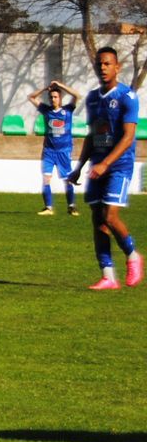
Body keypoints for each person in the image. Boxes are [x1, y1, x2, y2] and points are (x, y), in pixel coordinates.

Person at [66, 47, 141, 289]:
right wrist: (79, 167)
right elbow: (92, 134)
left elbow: (128, 137)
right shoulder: (92, 98)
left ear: (117, 67)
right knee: (98, 221)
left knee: (110, 216)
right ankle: (108, 276)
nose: (103, 68)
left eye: (107, 64)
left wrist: (106, 163)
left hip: (119, 165)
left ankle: (133, 256)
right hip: (97, 165)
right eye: (99, 64)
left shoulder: (127, 97)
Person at [29, 79, 80, 216]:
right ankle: (48, 208)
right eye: (51, 97)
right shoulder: (46, 110)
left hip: (64, 151)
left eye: (56, 97)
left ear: (60, 98)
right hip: (49, 151)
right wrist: (45, 88)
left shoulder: (67, 110)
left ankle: (71, 206)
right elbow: (31, 97)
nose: (53, 99)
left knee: (67, 180)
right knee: (46, 179)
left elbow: (77, 95)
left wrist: (60, 85)